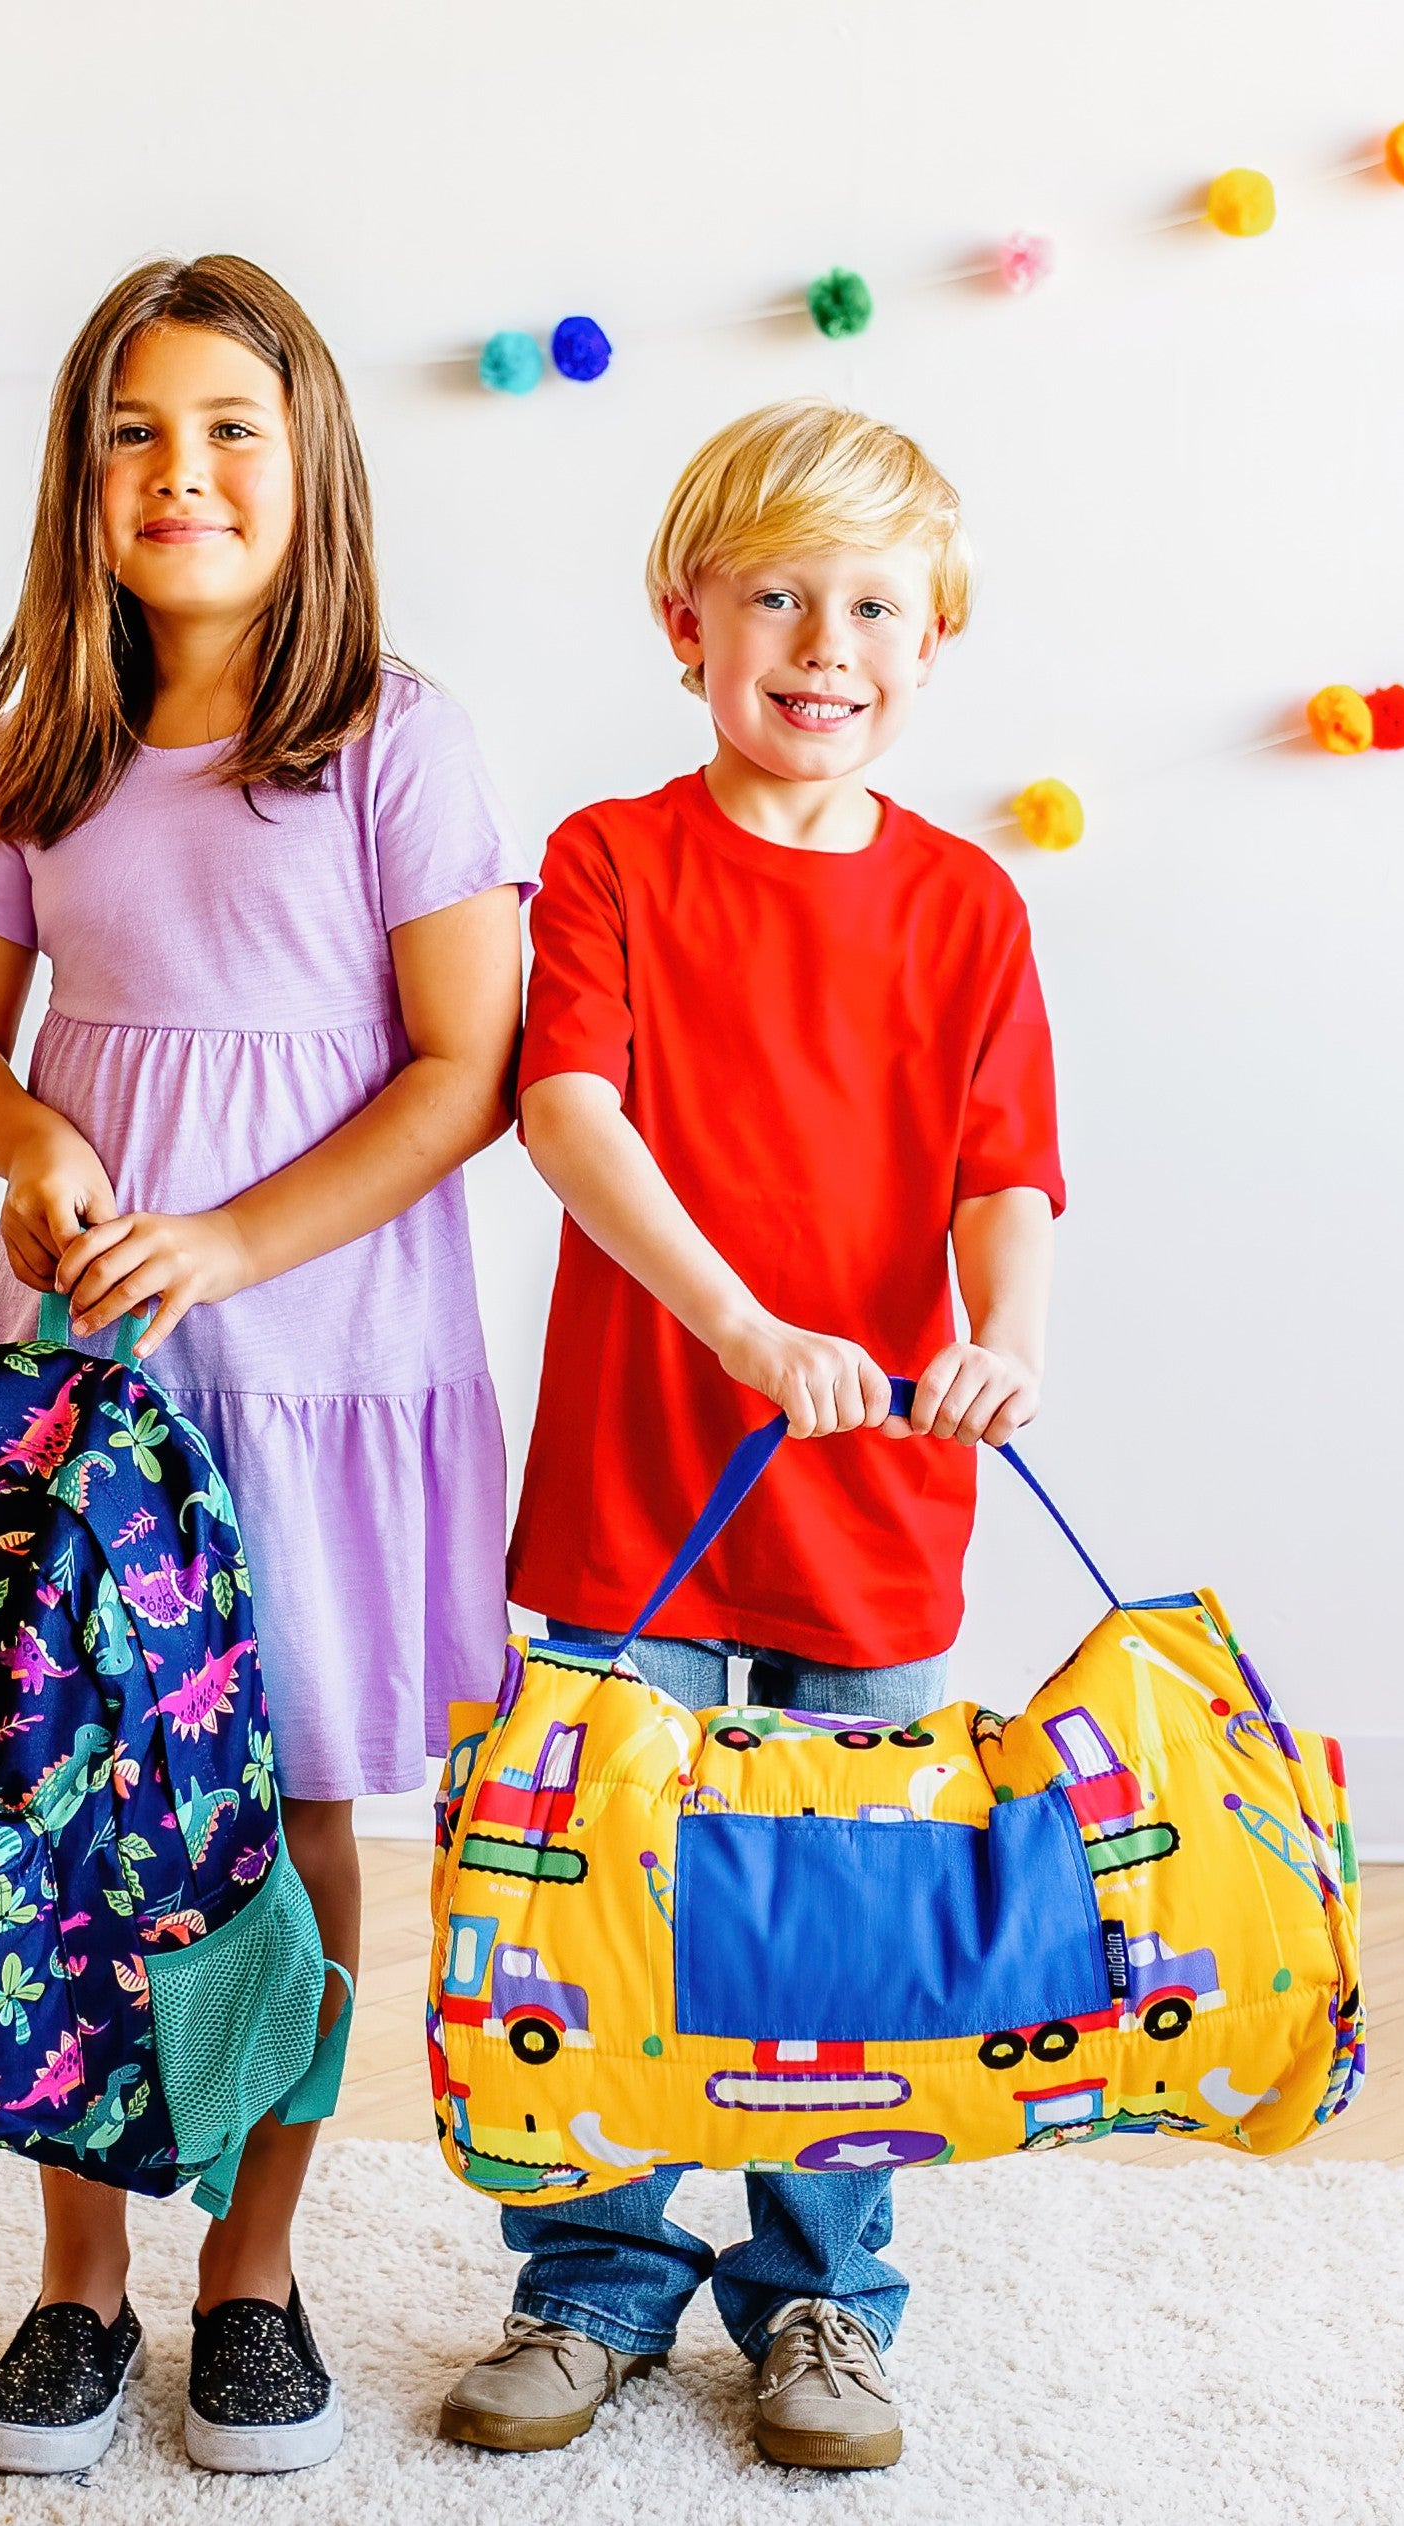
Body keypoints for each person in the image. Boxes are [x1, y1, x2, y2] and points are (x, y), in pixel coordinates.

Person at [0, 253, 530, 2476]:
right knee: (63, 1805)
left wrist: (234, 1239)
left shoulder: (394, 739)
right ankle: (79, 2278)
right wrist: (35, 1142)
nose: (182, 473)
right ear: (81, 480)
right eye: (134, 435)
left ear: (309, 462)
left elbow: (464, 1070)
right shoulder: (38, 744)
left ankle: (254, 2269)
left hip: (330, 1360)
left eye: (229, 430)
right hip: (92, 1382)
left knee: (295, 1813)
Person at [440, 399, 1064, 2472]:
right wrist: (739, 1327)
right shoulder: (611, 860)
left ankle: (821, 2294)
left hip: (876, 1507)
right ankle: (593, 2280)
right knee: (603, 1898)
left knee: (845, 1918)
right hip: (640, 1498)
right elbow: (567, 1113)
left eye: (874, 606)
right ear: (682, 621)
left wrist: (1008, 1341)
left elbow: (1004, 1173)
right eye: (777, 597)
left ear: (934, 640)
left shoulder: (966, 904)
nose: (824, 644)